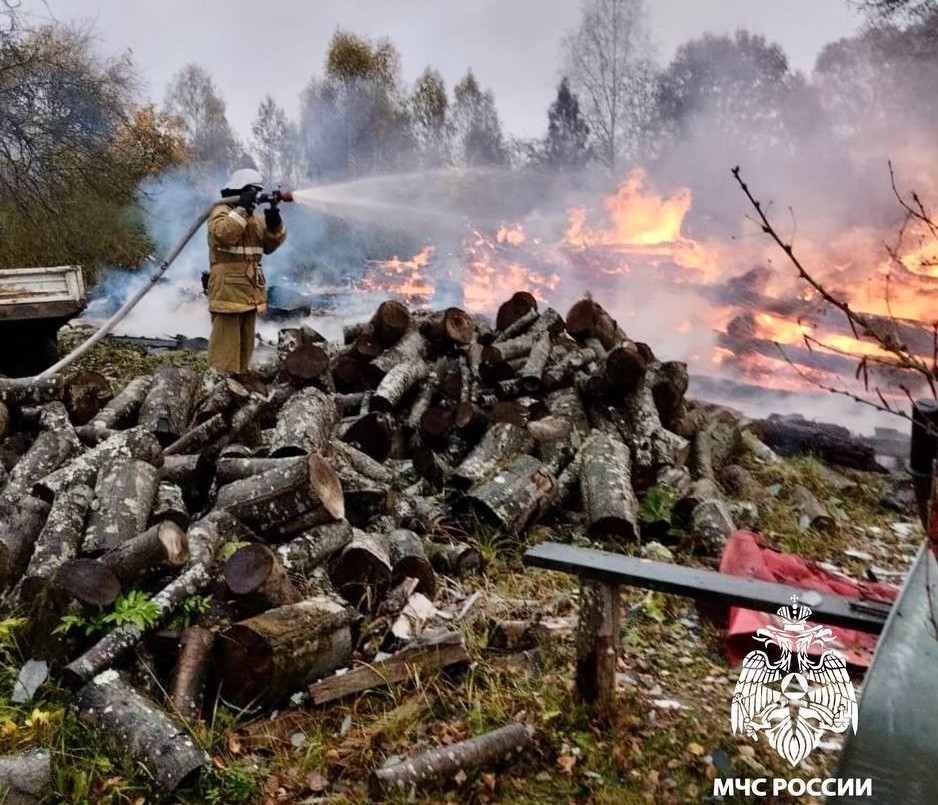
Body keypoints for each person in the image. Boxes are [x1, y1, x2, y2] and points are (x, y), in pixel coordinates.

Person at [205, 168, 287, 373]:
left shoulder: (254, 218)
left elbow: (269, 247)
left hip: (250, 289)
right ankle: (220, 386)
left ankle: (239, 383)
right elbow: (224, 235)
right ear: (240, 189)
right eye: (252, 190)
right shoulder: (221, 211)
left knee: (245, 345)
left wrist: (274, 221)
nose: (256, 195)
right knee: (226, 347)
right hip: (228, 289)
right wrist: (241, 209)